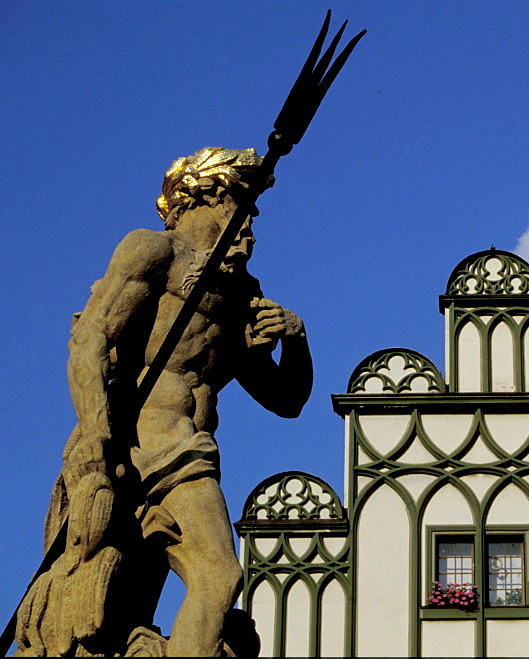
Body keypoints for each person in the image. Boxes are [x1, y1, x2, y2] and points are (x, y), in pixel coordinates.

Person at [16, 147, 312, 657]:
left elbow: (286, 400)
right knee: (218, 576)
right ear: (204, 196)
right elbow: (90, 345)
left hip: (189, 451)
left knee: (131, 609)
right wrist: (94, 437)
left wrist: (296, 338)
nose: (250, 228)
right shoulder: (153, 252)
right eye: (239, 205)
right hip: (144, 443)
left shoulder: (241, 293)